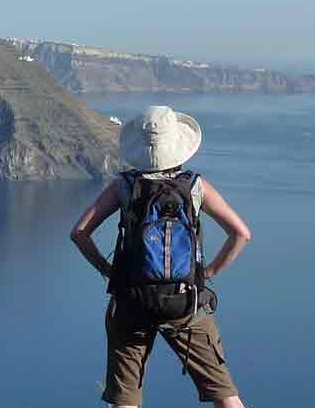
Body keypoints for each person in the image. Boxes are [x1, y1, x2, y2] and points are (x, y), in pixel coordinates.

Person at [70, 106, 253, 408]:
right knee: (226, 397)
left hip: (131, 301)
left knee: (125, 401)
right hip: (185, 304)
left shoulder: (125, 187)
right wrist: (207, 274)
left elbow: (79, 233)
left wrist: (107, 268)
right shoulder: (196, 187)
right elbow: (241, 234)